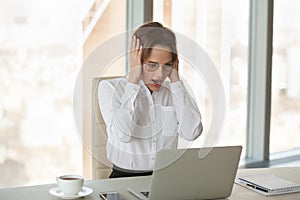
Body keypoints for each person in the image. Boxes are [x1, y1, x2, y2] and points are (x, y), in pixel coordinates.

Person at [98, 22, 203, 178]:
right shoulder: (110, 89)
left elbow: (192, 132)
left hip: (166, 179)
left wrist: (175, 80)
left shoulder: (174, 91)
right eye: (152, 65)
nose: (160, 75)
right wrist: (133, 79)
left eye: (167, 65)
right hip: (125, 179)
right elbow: (123, 135)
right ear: (137, 60)